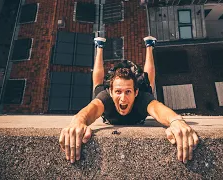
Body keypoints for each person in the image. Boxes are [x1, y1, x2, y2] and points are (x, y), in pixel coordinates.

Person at [59, 36, 199, 164]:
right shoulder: (105, 97)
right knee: (97, 86)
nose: (123, 98)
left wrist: (176, 121)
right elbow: (91, 109)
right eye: (118, 92)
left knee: (148, 84)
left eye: (128, 92)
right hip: (106, 92)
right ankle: (99, 47)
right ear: (111, 93)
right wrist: (78, 122)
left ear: (135, 92)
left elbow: (157, 108)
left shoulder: (142, 97)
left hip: (141, 89)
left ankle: (149, 46)